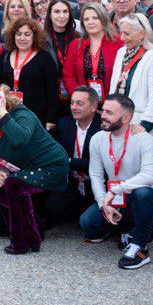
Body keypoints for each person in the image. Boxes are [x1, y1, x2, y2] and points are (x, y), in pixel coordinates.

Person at [0, 87, 70, 255]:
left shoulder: (23, 115)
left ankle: (20, 242)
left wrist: (3, 113)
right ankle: (34, 233)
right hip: (25, 167)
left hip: (51, 166)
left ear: (3, 104)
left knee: (13, 185)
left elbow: (20, 140)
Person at [79, 95, 153, 270]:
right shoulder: (98, 138)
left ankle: (140, 247)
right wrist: (103, 203)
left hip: (147, 199)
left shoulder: (144, 138)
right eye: (103, 110)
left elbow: (149, 175)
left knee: (142, 192)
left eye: (109, 113)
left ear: (126, 118)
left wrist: (115, 190)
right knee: (87, 223)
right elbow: (95, 175)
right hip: (117, 200)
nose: (102, 115)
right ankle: (126, 230)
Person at [0, 17, 61, 128]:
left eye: (27, 34)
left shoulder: (45, 58)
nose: (22, 38)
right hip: (8, 115)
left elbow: (52, 91)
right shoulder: (5, 55)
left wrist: (51, 120)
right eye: (18, 34)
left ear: (34, 37)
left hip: (36, 117)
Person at [47, 86, 101, 227]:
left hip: (96, 184)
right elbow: (55, 155)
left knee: (90, 222)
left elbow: (100, 165)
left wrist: (69, 161)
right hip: (72, 182)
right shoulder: (64, 124)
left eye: (80, 103)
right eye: (72, 103)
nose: (74, 107)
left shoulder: (103, 127)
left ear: (94, 106)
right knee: (53, 209)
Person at [107, 13, 153, 135]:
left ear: (142, 34)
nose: (121, 38)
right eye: (121, 33)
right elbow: (113, 88)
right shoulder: (122, 52)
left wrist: (144, 126)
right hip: (118, 124)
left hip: (140, 127)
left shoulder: (152, 58)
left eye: (127, 34)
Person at [62, 4, 123, 103]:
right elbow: (68, 76)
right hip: (84, 104)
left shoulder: (118, 43)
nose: (90, 22)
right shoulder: (75, 45)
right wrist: (81, 98)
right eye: (86, 19)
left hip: (112, 103)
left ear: (103, 19)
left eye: (95, 18)